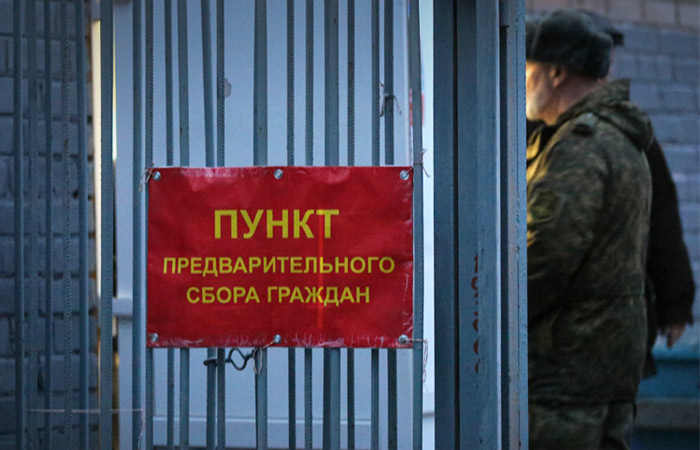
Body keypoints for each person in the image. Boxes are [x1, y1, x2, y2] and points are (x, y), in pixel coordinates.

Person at [526, 9, 653, 450]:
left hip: (566, 370)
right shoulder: (622, 137)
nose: (523, 82)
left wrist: (494, 323)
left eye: (529, 69)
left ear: (556, 73)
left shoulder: (578, 145)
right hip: (609, 361)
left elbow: (546, 257)